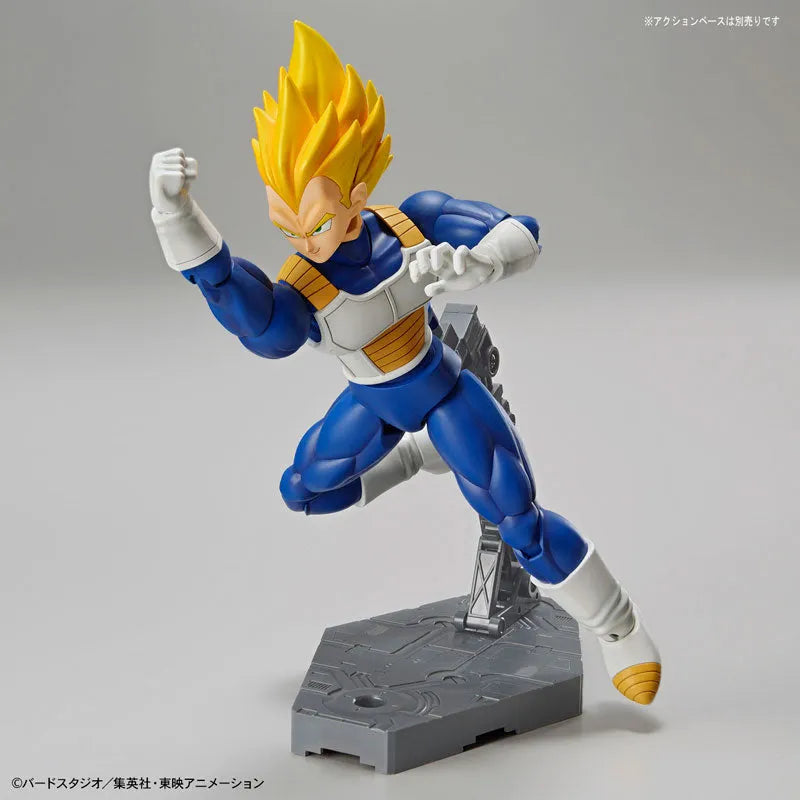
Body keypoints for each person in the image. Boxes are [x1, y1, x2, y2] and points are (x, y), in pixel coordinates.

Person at [149, 21, 661, 705]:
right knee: (304, 491)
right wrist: (177, 218)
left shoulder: (413, 223)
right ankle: (418, 458)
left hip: (445, 391)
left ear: (358, 195)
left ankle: (619, 627)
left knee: (520, 520)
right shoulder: (302, 288)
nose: (303, 242)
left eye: (316, 223)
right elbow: (250, 315)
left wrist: (481, 263)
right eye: (285, 226)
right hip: (371, 403)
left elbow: (520, 229)